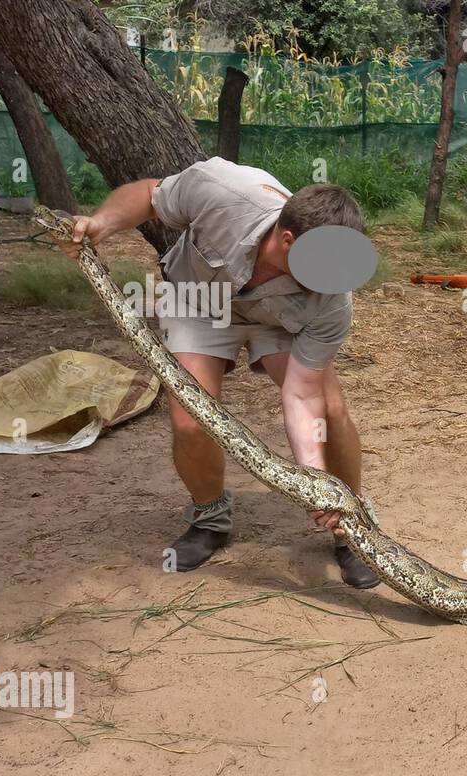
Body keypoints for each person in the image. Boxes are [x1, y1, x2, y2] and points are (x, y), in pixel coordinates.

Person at [61, 157, 380, 588]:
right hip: (199, 302)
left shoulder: (331, 298)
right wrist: (100, 223)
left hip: (283, 319)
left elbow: (303, 396)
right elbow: (149, 196)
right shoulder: (223, 191)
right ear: (287, 240)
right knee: (192, 421)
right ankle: (209, 517)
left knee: (331, 410)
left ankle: (351, 526)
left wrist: (315, 483)